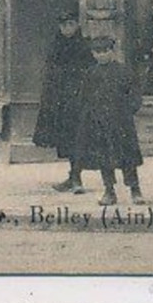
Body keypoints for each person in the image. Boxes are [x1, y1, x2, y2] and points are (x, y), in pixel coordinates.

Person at [70, 35, 146, 206]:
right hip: (99, 123)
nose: (101, 55)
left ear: (112, 51)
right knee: (104, 158)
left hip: (121, 122)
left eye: (105, 51)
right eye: (97, 52)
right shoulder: (91, 73)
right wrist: (89, 117)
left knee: (128, 158)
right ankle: (109, 191)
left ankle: (135, 190)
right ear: (93, 53)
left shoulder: (123, 71)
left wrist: (129, 110)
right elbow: (84, 98)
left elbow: (134, 94)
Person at [34, 11, 93, 192]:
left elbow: (90, 72)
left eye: (70, 24)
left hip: (80, 99)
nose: (67, 29)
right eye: (63, 25)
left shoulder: (84, 46)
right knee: (67, 139)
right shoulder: (56, 45)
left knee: (79, 138)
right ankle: (73, 176)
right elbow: (50, 73)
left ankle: (76, 178)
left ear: (77, 25)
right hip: (60, 100)